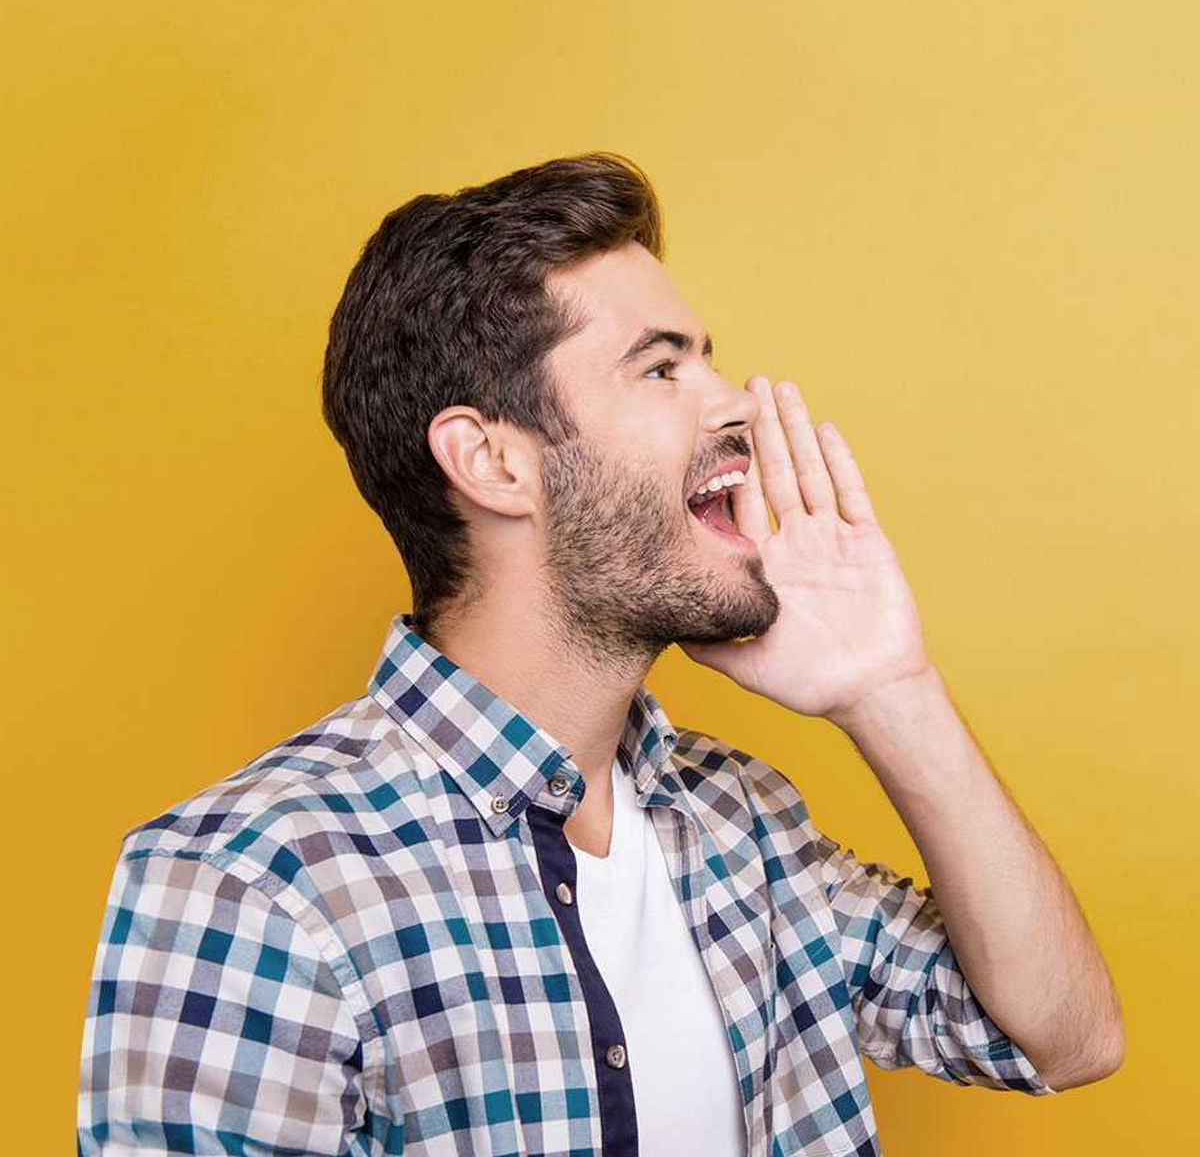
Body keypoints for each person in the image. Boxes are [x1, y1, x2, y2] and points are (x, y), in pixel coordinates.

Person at [77, 152, 1123, 1155]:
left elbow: (1063, 1037)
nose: (737, 402)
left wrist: (891, 688)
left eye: (706, 357)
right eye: (662, 366)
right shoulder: (252, 884)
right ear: (494, 462)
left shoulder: (742, 823)